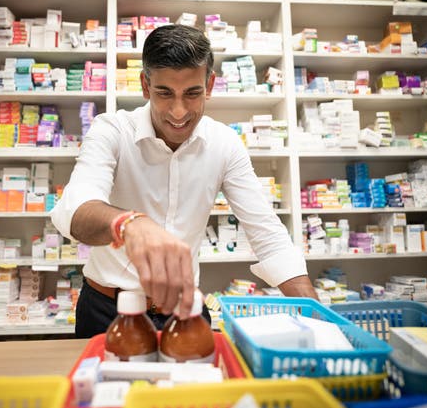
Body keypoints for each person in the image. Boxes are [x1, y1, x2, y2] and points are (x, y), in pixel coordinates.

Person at [51, 24, 317, 338]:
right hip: (108, 310)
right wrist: (128, 224)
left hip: (185, 310)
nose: (179, 111)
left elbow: (269, 237)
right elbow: (75, 209)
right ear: (146, 86)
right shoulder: (111, 131)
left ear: (210, 85)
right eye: (165, 93)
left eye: (192, 93)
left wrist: (319, 320)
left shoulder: (224, 144)